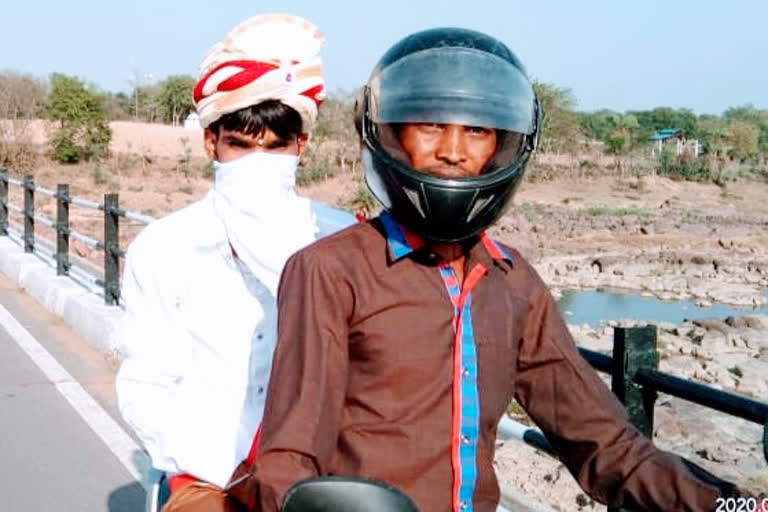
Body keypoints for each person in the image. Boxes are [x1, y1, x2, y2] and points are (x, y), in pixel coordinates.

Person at [225, 28, 746, 512]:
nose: (452, 151)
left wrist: (737, 504)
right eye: (430, 125)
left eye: (476, 130)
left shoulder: (513, 280)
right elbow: (289, 460)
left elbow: (608, 446)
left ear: (502, 146)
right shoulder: (330, 270)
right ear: (388, 134)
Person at [115, 13, 353, 512]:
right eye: (240, 146)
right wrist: (212, 466)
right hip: (208, 476)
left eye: (275, 147)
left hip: (318, 478)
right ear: (211, 143)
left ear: (301, 146)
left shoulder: (342, 240)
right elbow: (147, 381)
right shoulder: (165, 247)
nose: (257, 164)